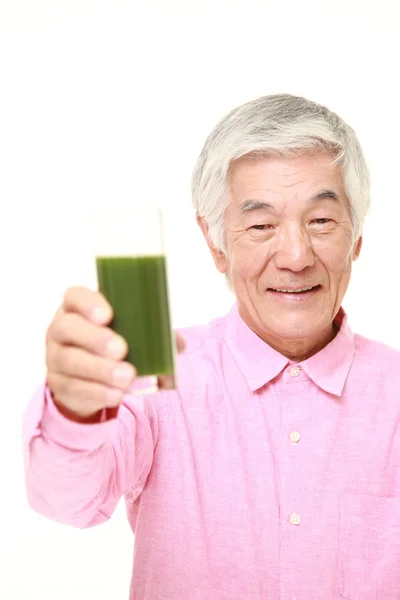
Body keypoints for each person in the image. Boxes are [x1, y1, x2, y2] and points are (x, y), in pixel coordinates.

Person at [22, 94, 400, 599]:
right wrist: (74, 407)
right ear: (215, 242)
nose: (295, 254)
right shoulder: (156, 377)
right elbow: (66, 501)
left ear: (356, 235)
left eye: (321, 221)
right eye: (262, 225)